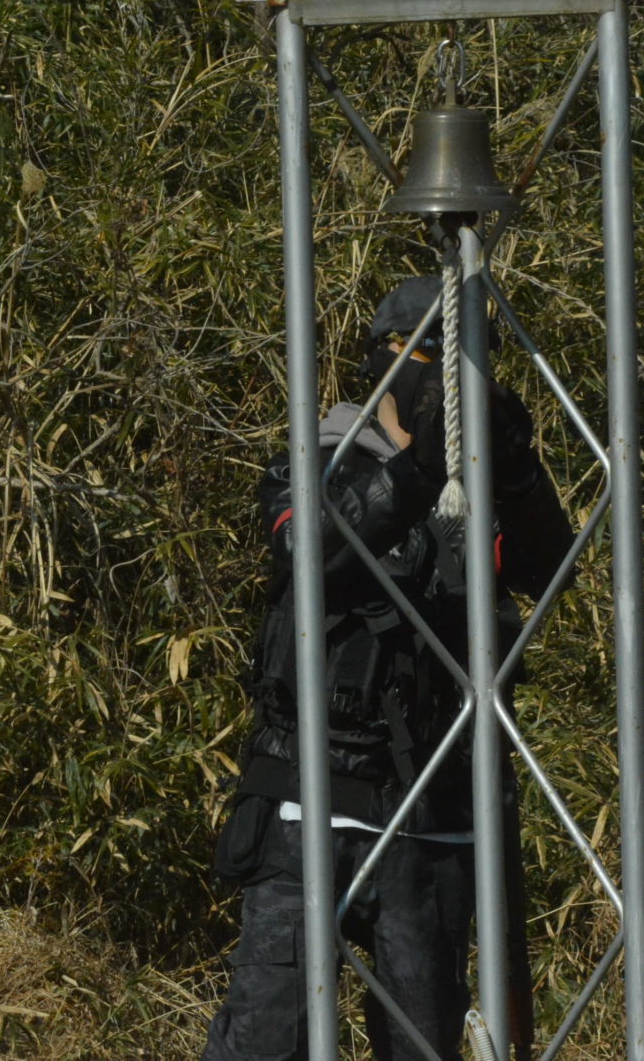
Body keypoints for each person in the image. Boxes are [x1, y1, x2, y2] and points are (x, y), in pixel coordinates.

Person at [201, 276, 575, 1061]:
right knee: (267, 1040)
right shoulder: (317, 459)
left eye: (466, 361)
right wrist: (412, 473)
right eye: (427, 355)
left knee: (422, 1045)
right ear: (382, 358)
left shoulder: (476, 501)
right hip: (309, 809)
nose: (444, 381)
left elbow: (551, 570)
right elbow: (308, 549)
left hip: (434, 822)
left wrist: (516, 470)